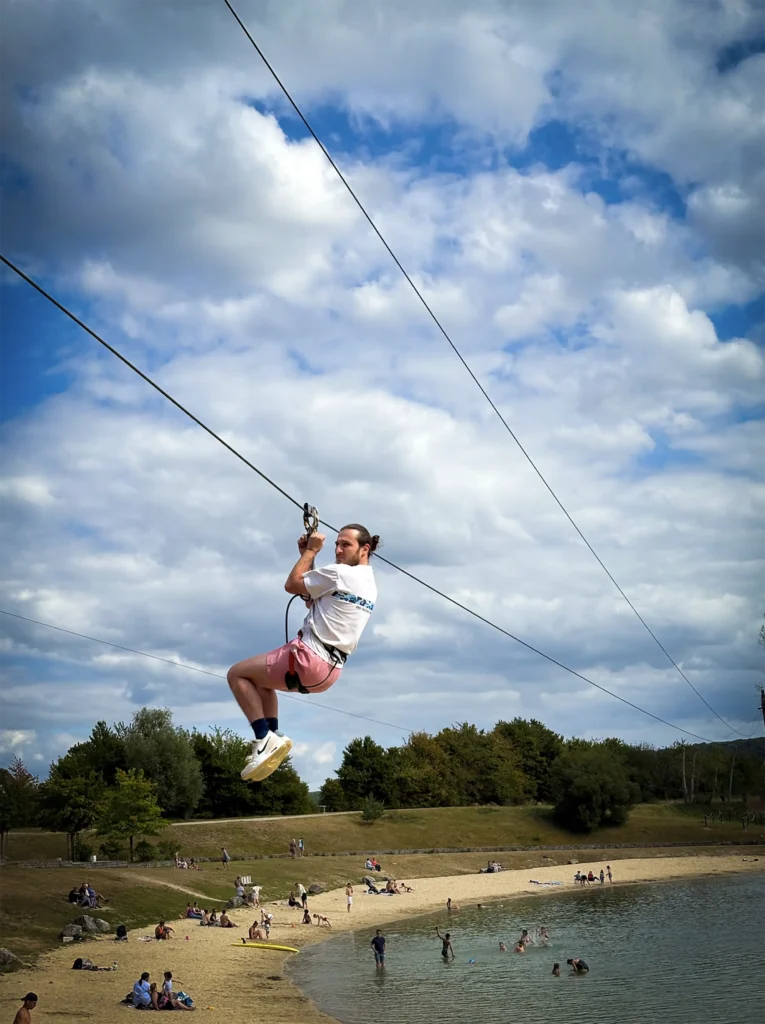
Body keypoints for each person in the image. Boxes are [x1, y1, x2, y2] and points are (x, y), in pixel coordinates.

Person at [227, 525, 379, 782]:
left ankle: (264, 738)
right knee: (261, 682)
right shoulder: (368, 584)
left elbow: (292, 585)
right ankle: (273, 738)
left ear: (365, 549)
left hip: (308, 658)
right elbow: (313, 595)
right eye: (337, 544)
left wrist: (309, 552)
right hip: (329, 674)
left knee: (237, 675)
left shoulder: (341, 574)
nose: (338, 550)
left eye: (346, 545)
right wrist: (308, 558)